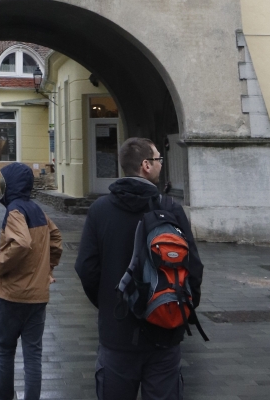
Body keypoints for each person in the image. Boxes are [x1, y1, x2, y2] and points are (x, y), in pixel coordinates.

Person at [75, 137, 203, 400]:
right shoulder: (170, 208)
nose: (160, 164)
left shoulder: (100, 210)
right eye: (158, 159)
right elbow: (194, 267)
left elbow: (86, 268)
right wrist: (178, 306)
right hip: (165, 329)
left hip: (118, 332)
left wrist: (110, 302)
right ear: (146, 165)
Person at [0, 162, 63, 400]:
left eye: (3, 180)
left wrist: (0, 266)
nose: (0, 184)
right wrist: (48, 269)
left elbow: (21, 243)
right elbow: (56, 238)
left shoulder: (14, 210)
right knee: (33, 354)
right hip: (37, 297)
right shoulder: (37, 210)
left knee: (6, 350)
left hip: (13, 295)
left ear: (11, 184)